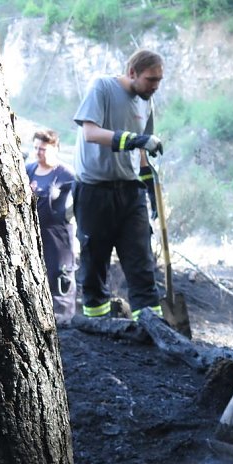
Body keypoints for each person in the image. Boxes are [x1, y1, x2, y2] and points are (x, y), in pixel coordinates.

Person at [72, 48, 165, 320]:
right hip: (93, 191)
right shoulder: (102, 87)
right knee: (94, 264)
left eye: (159, 80)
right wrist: (134, 140)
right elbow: (90, 133)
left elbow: (142, 150)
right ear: (132, 72)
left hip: (129, 192)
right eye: (151, 79)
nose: (156, 86)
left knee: (141, 264)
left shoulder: (146, 101)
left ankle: (150, 325)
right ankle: (97, 324)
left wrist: (150, 186)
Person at [25, 129, 76, 324]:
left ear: (55, 148)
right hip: (33, 236)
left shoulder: (65, 174)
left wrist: (69, 215)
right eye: (36, 148)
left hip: (59, 238)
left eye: (43, 149)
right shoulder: (28, 170)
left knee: (59, 278)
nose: (39, 152)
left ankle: (65, 322)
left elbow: (82, 198)